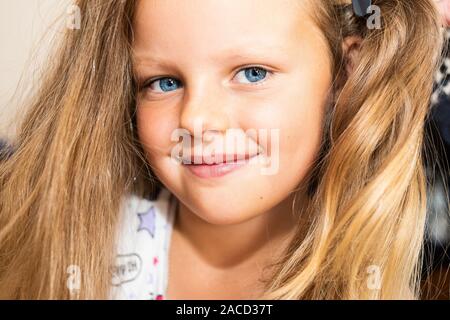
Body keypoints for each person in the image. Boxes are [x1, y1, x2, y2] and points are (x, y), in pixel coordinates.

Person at [0, 0, 446, 299]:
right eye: (164, 82)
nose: (196, 120)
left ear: (346, 74)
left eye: (252, 73)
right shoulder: (86, 246)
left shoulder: (368, 277)